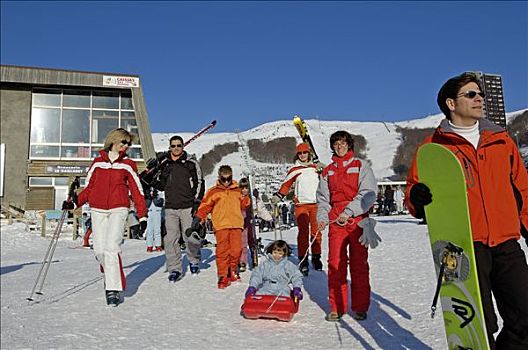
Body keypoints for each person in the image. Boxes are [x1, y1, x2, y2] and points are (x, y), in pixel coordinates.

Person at [405, 72, 528, 349]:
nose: (479, 99)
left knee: (524, 316)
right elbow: (412, 195)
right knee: (479, 327)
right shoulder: (433, 148)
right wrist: (417, 197)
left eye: (481, 94)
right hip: (464, 249)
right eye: (471, 94)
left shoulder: (501, 141)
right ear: (451, 102)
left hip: (506, 242)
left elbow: (523, 188)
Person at [77, 128, 147, 307]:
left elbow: (137, 191)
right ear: (113, 141)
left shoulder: (128, 164)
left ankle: (113, 289)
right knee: (99, 250)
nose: (126, 146)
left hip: (119, 208)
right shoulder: (98, 162)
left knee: (112, 248)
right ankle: (109, 270)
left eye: (128, 144)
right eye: (123, 142)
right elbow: (89, 188)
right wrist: (74, 202)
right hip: (98, 209)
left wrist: (142, 215)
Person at [317, 130, 379, 322]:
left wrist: (349, 212)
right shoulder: (328, 171)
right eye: (336, 144)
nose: (339, 146)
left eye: (343, 143)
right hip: (336, 222)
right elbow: (323, 199)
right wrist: (322, 217)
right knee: (335, 264)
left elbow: (368, 194)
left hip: (357, 220)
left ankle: (360, 306)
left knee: (359, 264)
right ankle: (337, 307)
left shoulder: (361, 166)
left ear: (349, 145)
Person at [193, 165, 250, 289]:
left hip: (236, 224)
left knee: (236, 250)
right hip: (221, 225)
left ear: (231, 177)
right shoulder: (214, 191)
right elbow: (205, 206)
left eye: (228, 179)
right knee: (222, 251)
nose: (226, 182)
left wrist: (246, 196)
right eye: (223, 179)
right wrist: (199, 217)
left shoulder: (237, 191)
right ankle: (223, 275)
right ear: (219, 177)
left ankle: (232, 269)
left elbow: (244, 205)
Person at [158, 135, 204, 282]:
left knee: (189, 236)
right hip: (170, 206)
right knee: (170, 239)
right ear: (169, 147)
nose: (176, 148)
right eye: (173, 146)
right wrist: (150, 179)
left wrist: (197, 202)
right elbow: (160, 184)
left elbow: (200, 182)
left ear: (183, 146)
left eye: (179, 145)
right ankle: (174, 268)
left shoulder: (191, 163)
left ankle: (194, 260)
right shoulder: (165, 164)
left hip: (187, 205)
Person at [272, 143, 323, 276]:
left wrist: (324, 169)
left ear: (309, 153)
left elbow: (329, 179)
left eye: (305, 152)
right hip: (301, 205)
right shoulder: (295, 169)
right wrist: (279, 195)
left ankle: (316, 257)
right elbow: (286, 184)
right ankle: (303, 259)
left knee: (317, 233)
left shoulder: (315, 167)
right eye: (300, 153)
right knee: (303, 233)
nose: (302, 155)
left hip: (316, 204)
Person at [145, 188, 164, 252]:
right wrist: (148, 197)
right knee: (149, 230)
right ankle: (149, 246)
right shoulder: (147, 190)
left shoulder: (159, 190)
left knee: (157, 230)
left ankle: (158, 245)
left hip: (157, 212)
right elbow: (147, 204)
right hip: (149, 212)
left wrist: (155, 197)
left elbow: (160, 202)